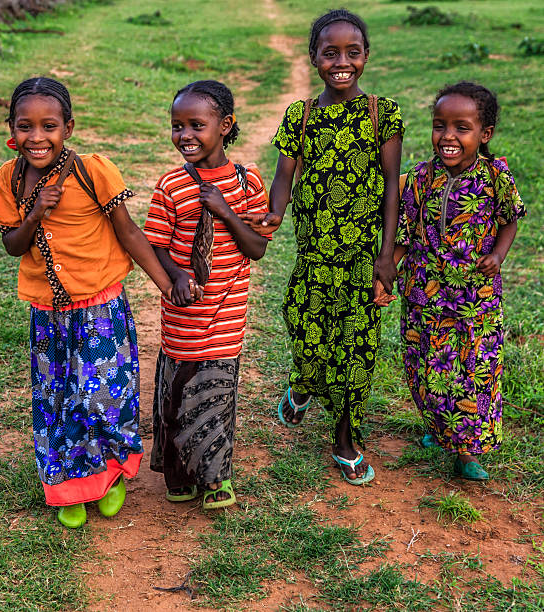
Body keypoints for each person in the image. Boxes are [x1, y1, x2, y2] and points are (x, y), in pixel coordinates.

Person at [0, 77, 175, 528]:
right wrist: (36, 211)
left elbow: (128, 232)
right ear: (11, 129)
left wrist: (165, 282)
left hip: (100, 311)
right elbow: (14, 245)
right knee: (59, 401)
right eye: (25, 126)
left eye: (48, 126)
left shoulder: (93, 171)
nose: (37, 137)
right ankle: (69, 485)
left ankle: (108, 476)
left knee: (105, 398)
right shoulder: (7, 179)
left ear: (67, 127)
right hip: (48, 316)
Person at [241, 10, 404, 485]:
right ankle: (302, 383)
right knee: (308, 340)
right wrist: (273, 212)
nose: (341, 62)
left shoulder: (383, 112)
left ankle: (345, 438)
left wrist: (386, 255)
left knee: (357, 354)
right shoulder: (301, 115)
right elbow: (284, 176)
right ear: (313, 57)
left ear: (366, 56)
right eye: (330, 52)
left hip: (359, 261)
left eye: (352, 53)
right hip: (313, 259)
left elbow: (392, 185)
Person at [375, 81, 525, 481]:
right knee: (427, 366)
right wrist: (387, 271)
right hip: (425, 295)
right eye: (440, 125)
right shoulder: (420, 179)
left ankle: (466, 453)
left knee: (474, 371)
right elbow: (406, 232)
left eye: (462, 127)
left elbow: (510, 220)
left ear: (484, 134)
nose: (448, 136)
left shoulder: (496, 178)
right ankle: (437, 427)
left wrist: (498, 254)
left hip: (475, 298)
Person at [144, 80, 269, 509]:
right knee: (176, 391)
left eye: (197, 124)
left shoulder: (247, 180)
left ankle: (216, 479)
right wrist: (177, 274)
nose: (185, 135)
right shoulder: (170, 186)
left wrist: (225, 211)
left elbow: (256, 247)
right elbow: (156, 243)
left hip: (228, 312)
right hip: (183, 313)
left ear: (225, 125)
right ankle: (177, 473)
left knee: (217, 393)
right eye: (177, 126)